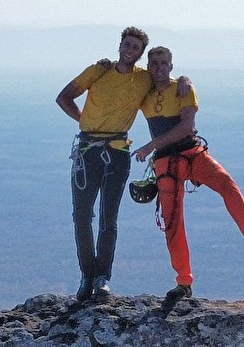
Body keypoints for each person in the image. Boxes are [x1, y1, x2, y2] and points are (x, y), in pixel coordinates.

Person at [133, 46, 244, 314]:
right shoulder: (144, 93)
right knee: (173, 223)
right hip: (166, 163)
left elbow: (186, 127)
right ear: (149, 67)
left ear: (171, 67)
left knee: (225, 183)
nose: (159, 67)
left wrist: (150, 145)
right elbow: (127, 76)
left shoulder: (184, 89)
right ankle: (183, 282)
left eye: (164, 63)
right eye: (154, 63)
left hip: (190, 153)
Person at [56, 27, 189, 304]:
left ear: (140, 53)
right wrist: (86, 123)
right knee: (81, 217)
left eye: (136, 47)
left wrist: (185, 79)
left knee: (108, 218)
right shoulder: (98, 71)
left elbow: (167, 80)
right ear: (120, 46)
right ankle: (87, 276)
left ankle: (102, 278)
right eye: (127, 44)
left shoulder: (144, 79)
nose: (130, 50)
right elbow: (64, 97)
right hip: (87, 150)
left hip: (116, 152)